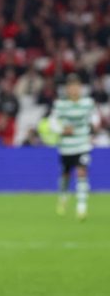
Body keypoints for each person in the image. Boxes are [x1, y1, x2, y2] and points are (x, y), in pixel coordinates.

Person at [50, 73, 101, 220]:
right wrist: (62, 130)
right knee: (66, 175)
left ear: (80, 88)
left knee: (82, 172)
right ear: (67, 89)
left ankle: (81, 206)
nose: (74, 90)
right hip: (66, 146)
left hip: (82, 145)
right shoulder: (60, 104)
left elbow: (95, 117)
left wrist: (95, 124)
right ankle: (63, 196)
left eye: (76, 87)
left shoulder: (88, 103)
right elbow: (52, 123)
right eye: (71, 87)